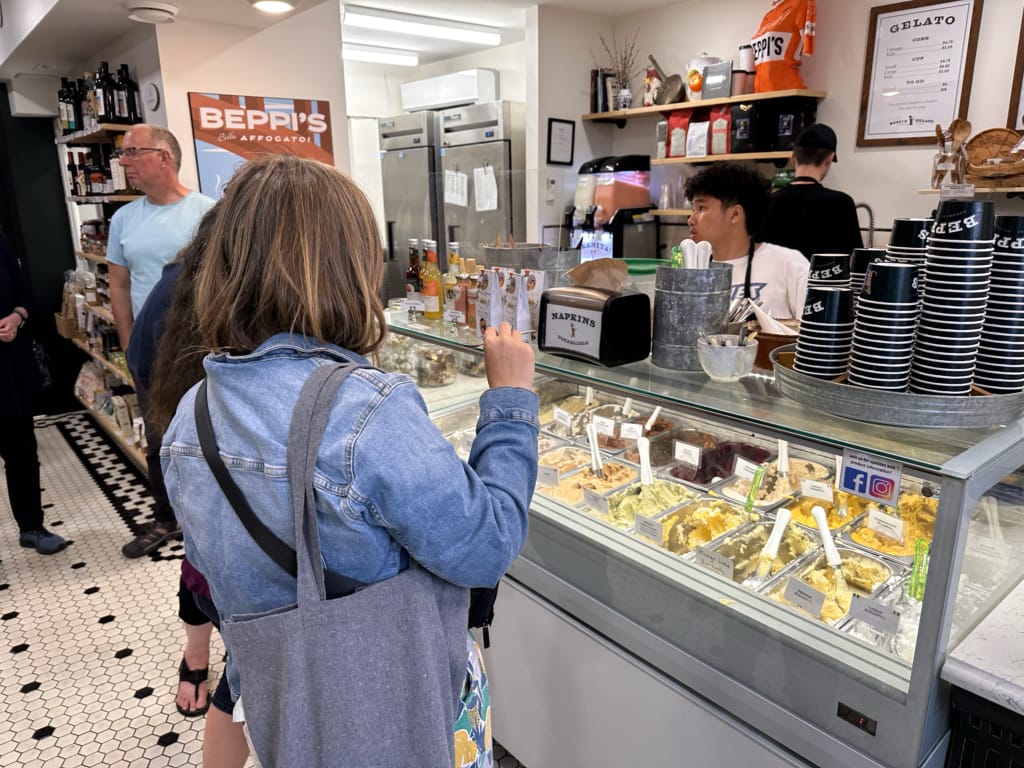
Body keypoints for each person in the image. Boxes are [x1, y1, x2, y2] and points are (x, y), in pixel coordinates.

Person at [158, 154, 537, 765]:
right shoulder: (364, 410)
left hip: (288, 710)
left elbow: (214, 575)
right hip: (401, 705)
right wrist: (511, 400)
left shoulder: (192, 413)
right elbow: (487, 543)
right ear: (346, 266)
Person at [132, 203, 249, 767]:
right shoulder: (225, 292)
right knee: (212, 578)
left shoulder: (180, 280)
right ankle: (204, 660)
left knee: (200, 565)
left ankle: (197, 659)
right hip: (211, 465)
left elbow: (137, 359)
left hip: (196, 466)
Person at [106, 124, 215, 559]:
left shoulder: (208, 213)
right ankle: (167, 517)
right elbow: (118, 285)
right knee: (159, 440)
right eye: (123, 154)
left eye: (132, 152)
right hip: (148, 353)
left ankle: (214, 515)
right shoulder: (124, 219)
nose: (124, 162)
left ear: (164, 157)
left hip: (200, 352)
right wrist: (130, 340)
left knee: (209, 434)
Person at [0, 231, 67, 554]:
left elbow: (24, 295)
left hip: (10, 373)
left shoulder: (1, 240)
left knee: (22, 454)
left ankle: (32, 526)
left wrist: (16, 318)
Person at [686, 162, 808, 320]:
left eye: (701, 208)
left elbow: (815, 334)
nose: (691, 220)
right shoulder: (692, 269)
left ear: (735, 214)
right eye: (692, 210)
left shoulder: (789, 264)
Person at [759, 123, 864, 260]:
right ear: (829, 159)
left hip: (777, 281)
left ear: (793, 159)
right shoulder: (841, 203)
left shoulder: (768, 201)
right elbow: (857, 259)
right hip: (824, 281)